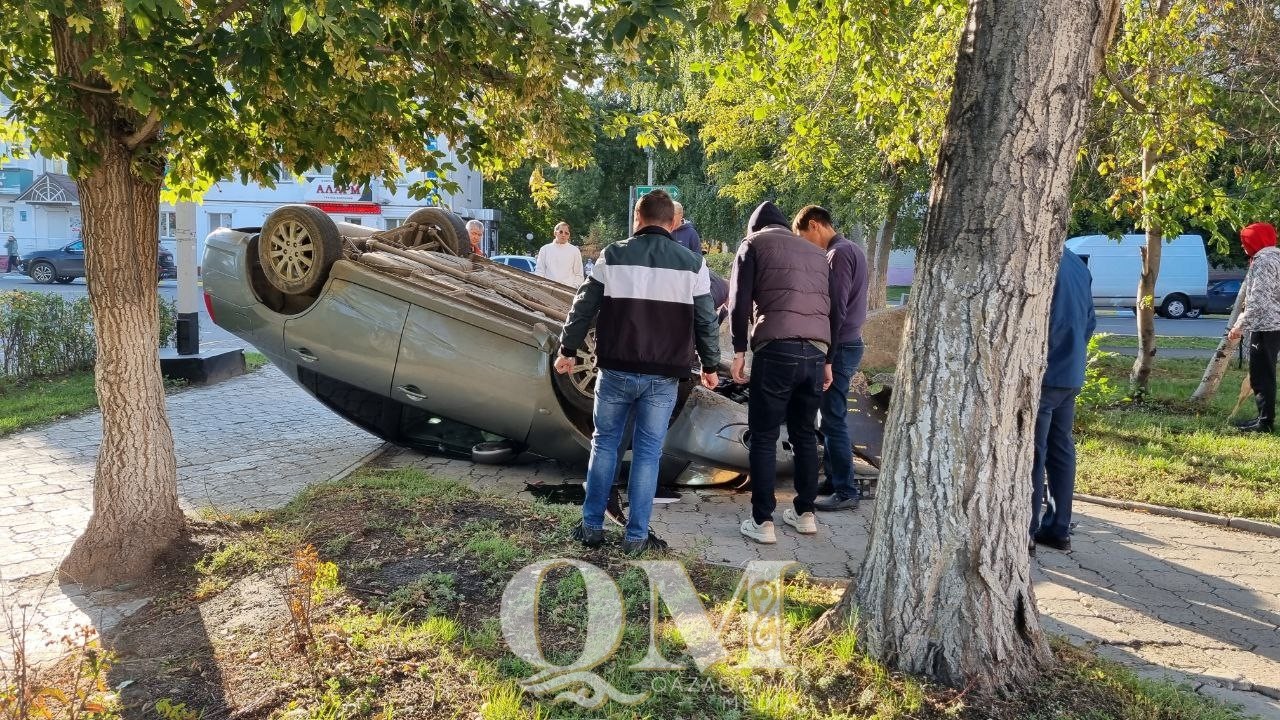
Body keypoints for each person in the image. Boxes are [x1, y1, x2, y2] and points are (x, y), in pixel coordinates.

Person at [556, 190, 720, 555]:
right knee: (648, 453)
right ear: (673, 223)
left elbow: (583, 306)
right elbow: (706, 320)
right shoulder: (694, 264)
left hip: (615, 370)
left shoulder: (611, 255)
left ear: (637, 218)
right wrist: (710, 365)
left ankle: (591, 528)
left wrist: (567, 350)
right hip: (664, 376)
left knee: (604, 445)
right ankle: (635, 537)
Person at [729, 201, 833, 544]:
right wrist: (827, 358)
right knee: (804, 434)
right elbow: (830, 306)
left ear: (755, 229)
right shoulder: (818, 253)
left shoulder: (753, 245)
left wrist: (739, 351)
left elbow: (739, 301)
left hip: (776, 349)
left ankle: (763, 521)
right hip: (816, 351)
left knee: (764, 435)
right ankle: (805, 514)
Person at [793, 206, 869, 512]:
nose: (804, 243)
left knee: (834, 418)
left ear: (815, 225)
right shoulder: (852, 249)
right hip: (849, 342)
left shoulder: (837, 254)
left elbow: (835, 308)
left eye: (803, 236)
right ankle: (836, 477)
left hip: (840, 346)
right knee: (826, 417)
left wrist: (827, 353)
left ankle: (846, 490)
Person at [1030, 248, 1096, 553]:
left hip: (1043, 374)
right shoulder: (1076, 264)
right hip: (1069, 371)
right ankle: (1058, 528)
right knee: (1060, 450)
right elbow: (1088, 322)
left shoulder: (1039, 257)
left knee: (1033, 454)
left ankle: (1025, 530)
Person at [1228, 222, 1280, 433]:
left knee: (1261, 375)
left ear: (1255, 240)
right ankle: (1263, 419)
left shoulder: (1263, 261)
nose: (1243, 246)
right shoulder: (1276, 257)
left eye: (1244, 241)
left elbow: (1258, 301)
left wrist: (1239, 326)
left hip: (1265, 325)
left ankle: (1264, 423)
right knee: (1265, 373)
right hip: (1275, 323)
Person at [535, 222, 584, 287]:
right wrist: (541, 286)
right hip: (547, 289)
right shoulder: (545, 249)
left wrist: (573, 287)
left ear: (569, 235)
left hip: (568, 291)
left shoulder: (575, 251)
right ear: (555, 233)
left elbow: (579, 274)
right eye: (561, 232)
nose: (563, 235)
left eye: (566, 233)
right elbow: (539, 271)